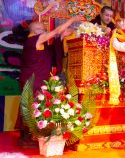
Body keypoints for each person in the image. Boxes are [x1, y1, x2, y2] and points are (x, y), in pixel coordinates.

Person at [17, 16, 82, 147]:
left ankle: (33, 134)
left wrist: (61, 37)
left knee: (36, 104)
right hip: (33, 78)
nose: (44, 31)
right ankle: (27, 135)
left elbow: (52, 51)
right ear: (34, 31)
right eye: (41, 29)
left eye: (44, 29)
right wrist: (72, 19)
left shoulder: (40, 43)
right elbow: (56, 31)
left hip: (38, 77)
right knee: (32, 104)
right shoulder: (34, 40)